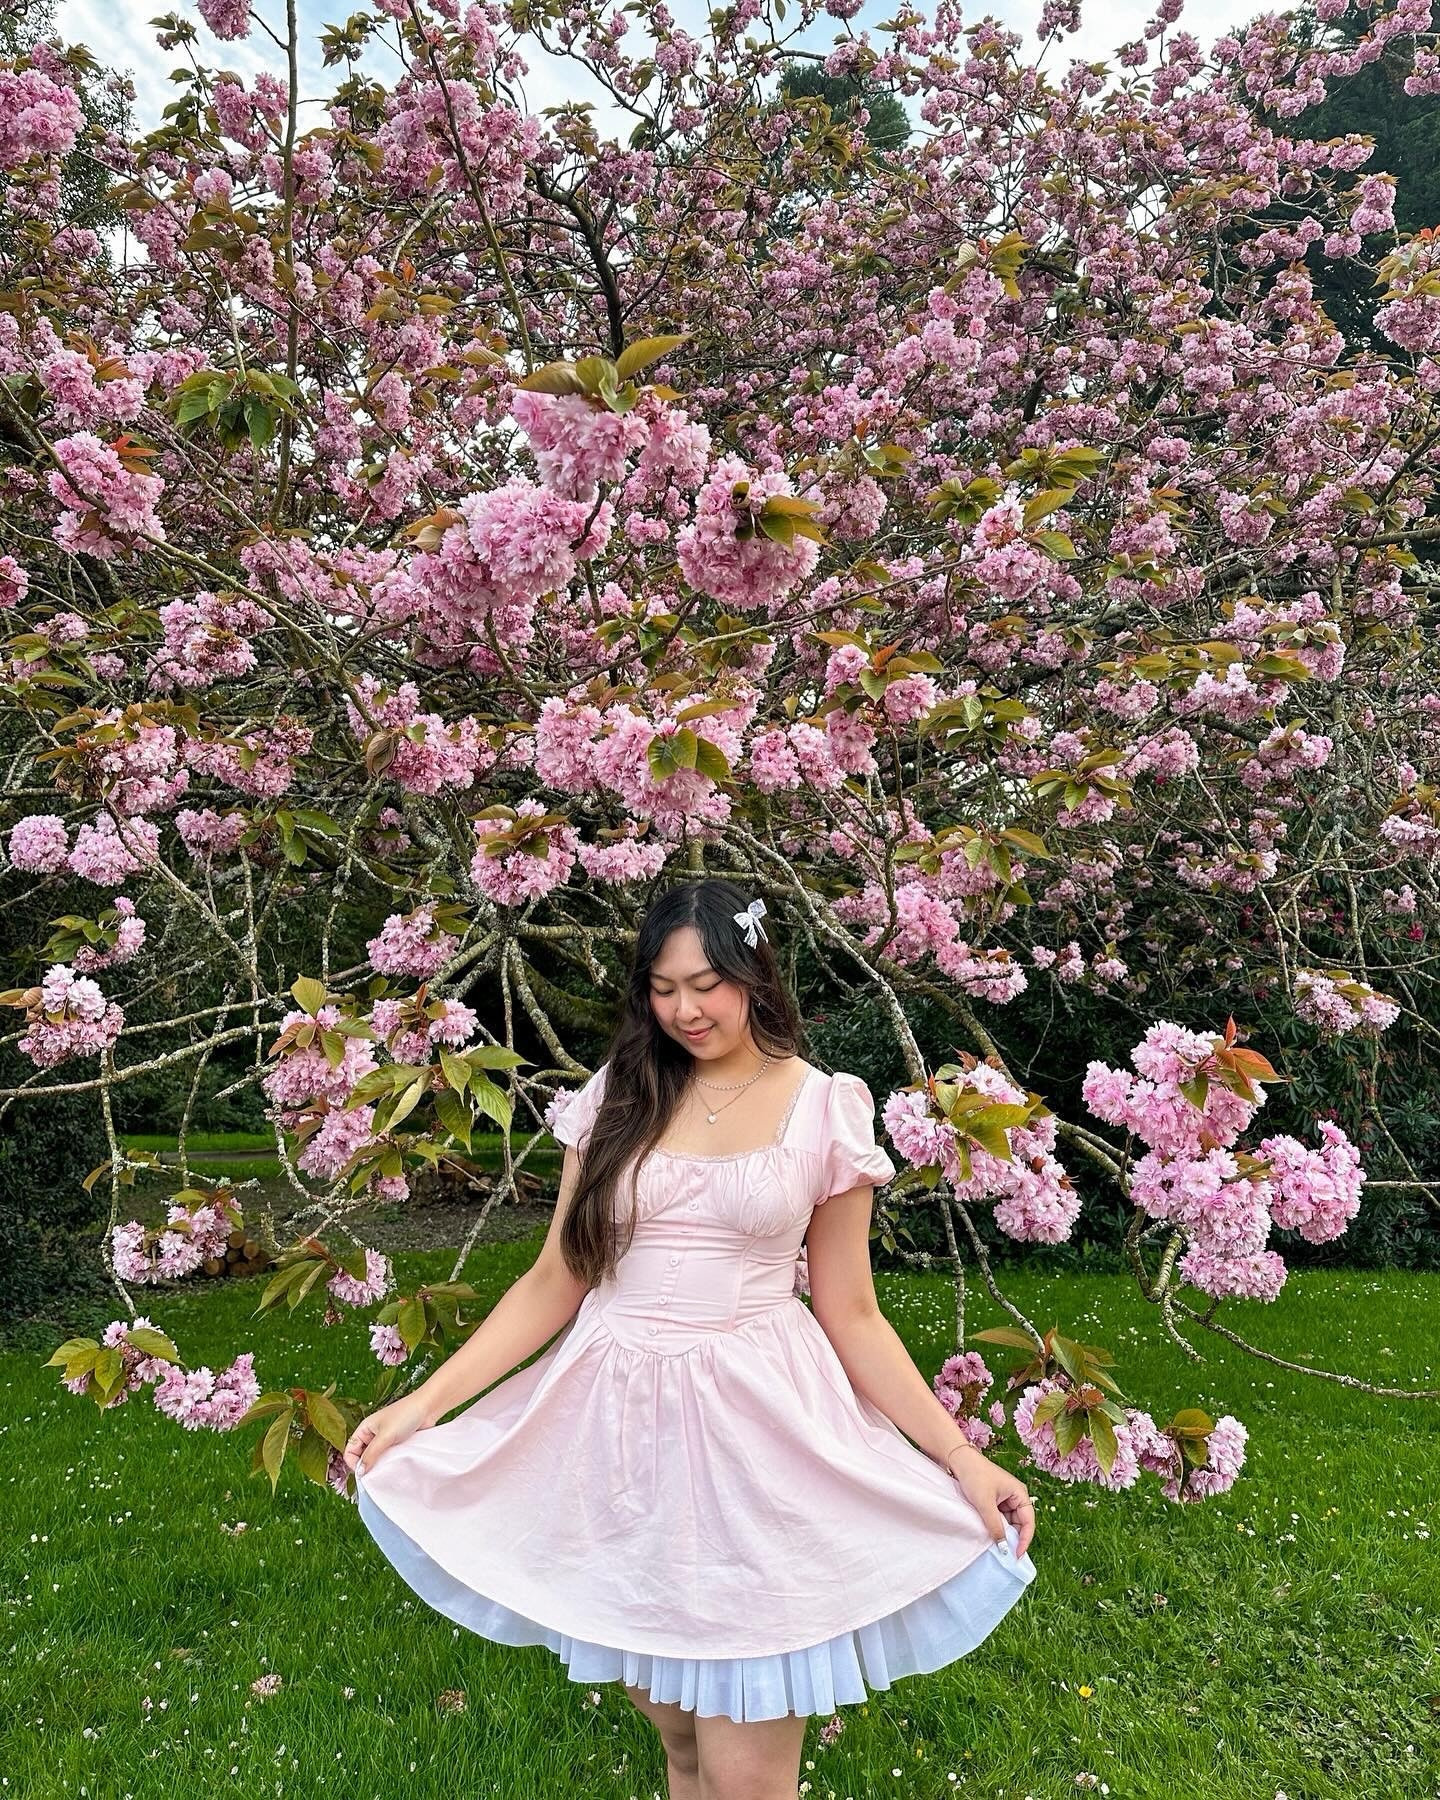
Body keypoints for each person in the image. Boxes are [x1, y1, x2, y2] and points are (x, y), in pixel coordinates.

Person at [343, 876, 1038, 1799]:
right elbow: (559, 1275)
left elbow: (853, 1312)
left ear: (754, 972)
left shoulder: (825, 1106)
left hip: (760, 1433)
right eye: (663, 988)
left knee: (746, 1767)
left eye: (707, 983)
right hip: (613, 1428)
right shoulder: (620, 1095)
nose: (684, 1010)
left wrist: (958, 1454)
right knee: (679, 1742)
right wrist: (423, 1406)